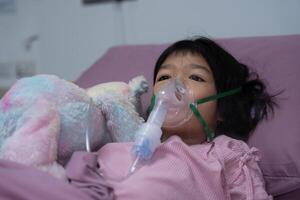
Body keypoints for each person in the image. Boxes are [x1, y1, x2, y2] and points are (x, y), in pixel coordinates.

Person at [0, 37, 275, 200]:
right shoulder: (121, 136)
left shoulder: (226, 155)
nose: (172, 87)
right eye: (164, 77)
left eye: (195, 77)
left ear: (223, 108)